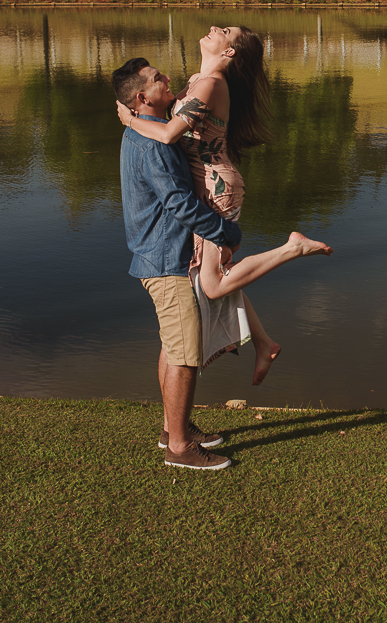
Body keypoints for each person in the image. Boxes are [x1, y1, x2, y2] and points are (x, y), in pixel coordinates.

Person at [116, 26, 332, 386]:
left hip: (218, 190)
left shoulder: (212, 84)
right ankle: (263, 344)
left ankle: (292, 248)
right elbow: (162, 116)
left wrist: (131, 120)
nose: (214, 28)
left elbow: (168, 133)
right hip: (203, 189)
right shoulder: (196, 80)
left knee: (213, 285)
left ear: (229, 52)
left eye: (225, 31)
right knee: (214, 275)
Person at [114, 57, 241, 471]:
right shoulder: (153, 143)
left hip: (159, 255)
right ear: (142, 97)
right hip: (166, 261)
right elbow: (179, 204)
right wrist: (226, 233)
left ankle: (175, 428)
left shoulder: (145, 132)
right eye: (157, 79)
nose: (166, 79)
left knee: (174, 346)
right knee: (185, 353)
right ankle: (180, 448)